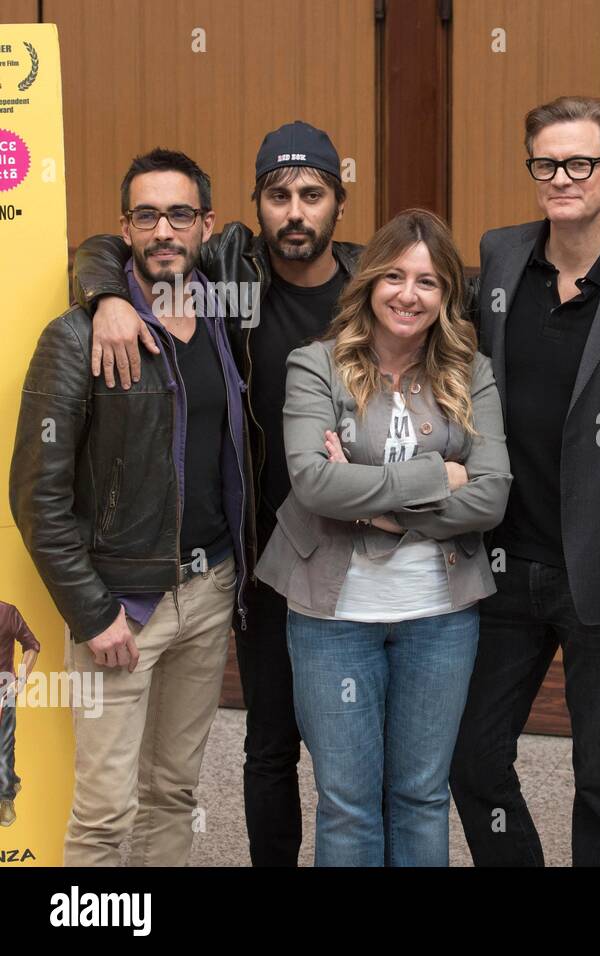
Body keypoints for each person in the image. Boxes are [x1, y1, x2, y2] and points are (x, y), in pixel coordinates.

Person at [72, 120, 361, 866]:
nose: (294, 212)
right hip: (261, 561)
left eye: (311, 194)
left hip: (362, 557)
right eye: (277, 195)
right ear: (253, 208)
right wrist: (105, 293)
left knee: (355, 760)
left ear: (339, 200)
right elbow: (123, 244)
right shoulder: (232, 277)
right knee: (267, 750)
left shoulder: (374, 287)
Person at [450, 95, 600, 867]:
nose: (562, 177)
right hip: (502, 562)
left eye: (580, 163)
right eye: (546, 163)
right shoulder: (498, 256)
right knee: (473, 758)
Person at [10, 148, 251, 865]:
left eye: (180, 214)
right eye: (146, 215)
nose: (163, 231)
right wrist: (92, 611)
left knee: (173, 794)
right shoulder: (79, 336)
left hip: (209, 592)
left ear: (206, 224)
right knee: (104, 816)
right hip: (123, 608)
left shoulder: (221, 315)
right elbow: (36, 498)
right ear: (125, 228)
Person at [255, 208, 510, 867]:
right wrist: (436, 477)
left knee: (422, 795)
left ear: (447, 295)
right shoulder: (316, 365)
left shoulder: (469, 372)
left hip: (440, 616)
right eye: (393, 275)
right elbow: (313, 484)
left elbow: (491, 494)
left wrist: (373, 506)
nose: (408, 294)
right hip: (333, 617)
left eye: (428, 282)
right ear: (368, 283)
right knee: (346, 801)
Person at [0, 601, 40, 827]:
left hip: (3, 692)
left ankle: (5, 800)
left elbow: (32, 644)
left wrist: (21, 680)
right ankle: (10, 780)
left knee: (3, 748)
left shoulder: (7, 613)